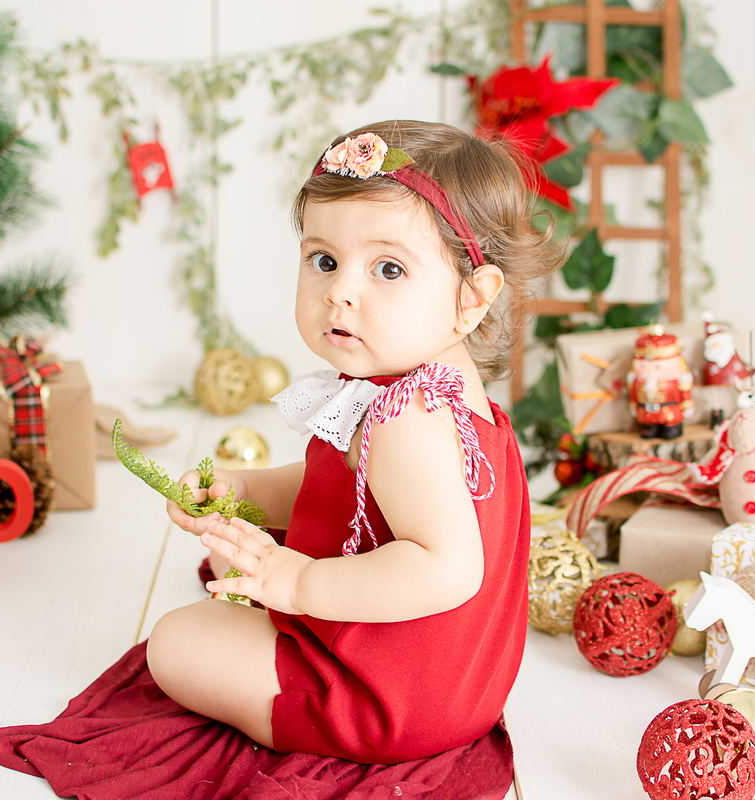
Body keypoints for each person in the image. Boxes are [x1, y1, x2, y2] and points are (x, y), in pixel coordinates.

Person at [147, 120, 557, 765]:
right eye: (324, 260)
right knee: (236, 565)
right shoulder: (431, 384)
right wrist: (245, 488)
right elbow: (342, 486)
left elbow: (447, 570)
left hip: (386, 700)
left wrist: (300, 583)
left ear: (471, 299)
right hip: (454, 684)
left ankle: (304, 701)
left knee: (176, 643)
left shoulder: (405, 418)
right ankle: (284, 619)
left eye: (388, 269)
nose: (340, 291)